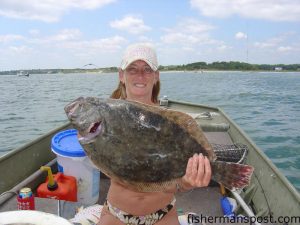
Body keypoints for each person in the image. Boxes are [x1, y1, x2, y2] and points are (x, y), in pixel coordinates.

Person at [98, 43, 211, 225]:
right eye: (132, 69)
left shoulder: (170, 123)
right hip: (116, 213)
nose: (140, 75)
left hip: (163, 214)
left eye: (147, 69)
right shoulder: (108, 117)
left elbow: (176, 184)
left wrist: (187, 182)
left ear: (156, 76)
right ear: (121, 75)